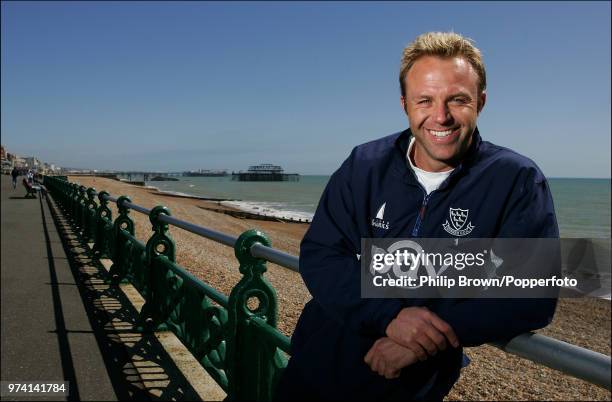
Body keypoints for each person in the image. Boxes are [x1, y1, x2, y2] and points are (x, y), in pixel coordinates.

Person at [275, 32, 558, 401]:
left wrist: (421, 340)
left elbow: (532, 293)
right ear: (405, 103)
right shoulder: (365, 164)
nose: (440, 116)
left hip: (410, 383)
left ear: (481, 102)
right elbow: (321, 254)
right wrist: (391, 317)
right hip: (316, 365)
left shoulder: (515, 179)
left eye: (457, 100)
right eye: (425, 100)